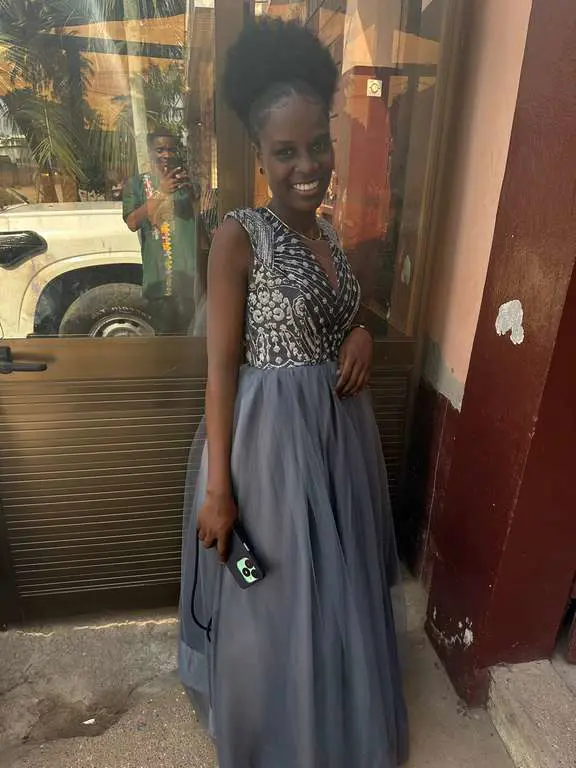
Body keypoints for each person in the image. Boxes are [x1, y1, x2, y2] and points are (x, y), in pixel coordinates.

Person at [179, 18, 409, 768]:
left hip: (339, 440)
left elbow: (342, 317)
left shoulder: (331, 234)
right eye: (286, 151)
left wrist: (362, 333)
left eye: (318, 145)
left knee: (336, 586)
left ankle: (335, 717)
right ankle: (279, 739)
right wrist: (219, 490)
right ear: (261, 153)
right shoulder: (238, 237)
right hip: (271, 446)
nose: (307, 165)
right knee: (273, 592)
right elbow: (220, 368)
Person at [122, 129, 207, 335]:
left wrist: (194, 197)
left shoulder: (188, 184)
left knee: (191, 338)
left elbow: (200, 224)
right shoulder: (136, 185)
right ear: (150, 152)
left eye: (171, 150)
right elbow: (132, 222)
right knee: (165, 340)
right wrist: (161, 192)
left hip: (188, 278)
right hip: (158, 281)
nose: (166, 155)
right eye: (160, 150)